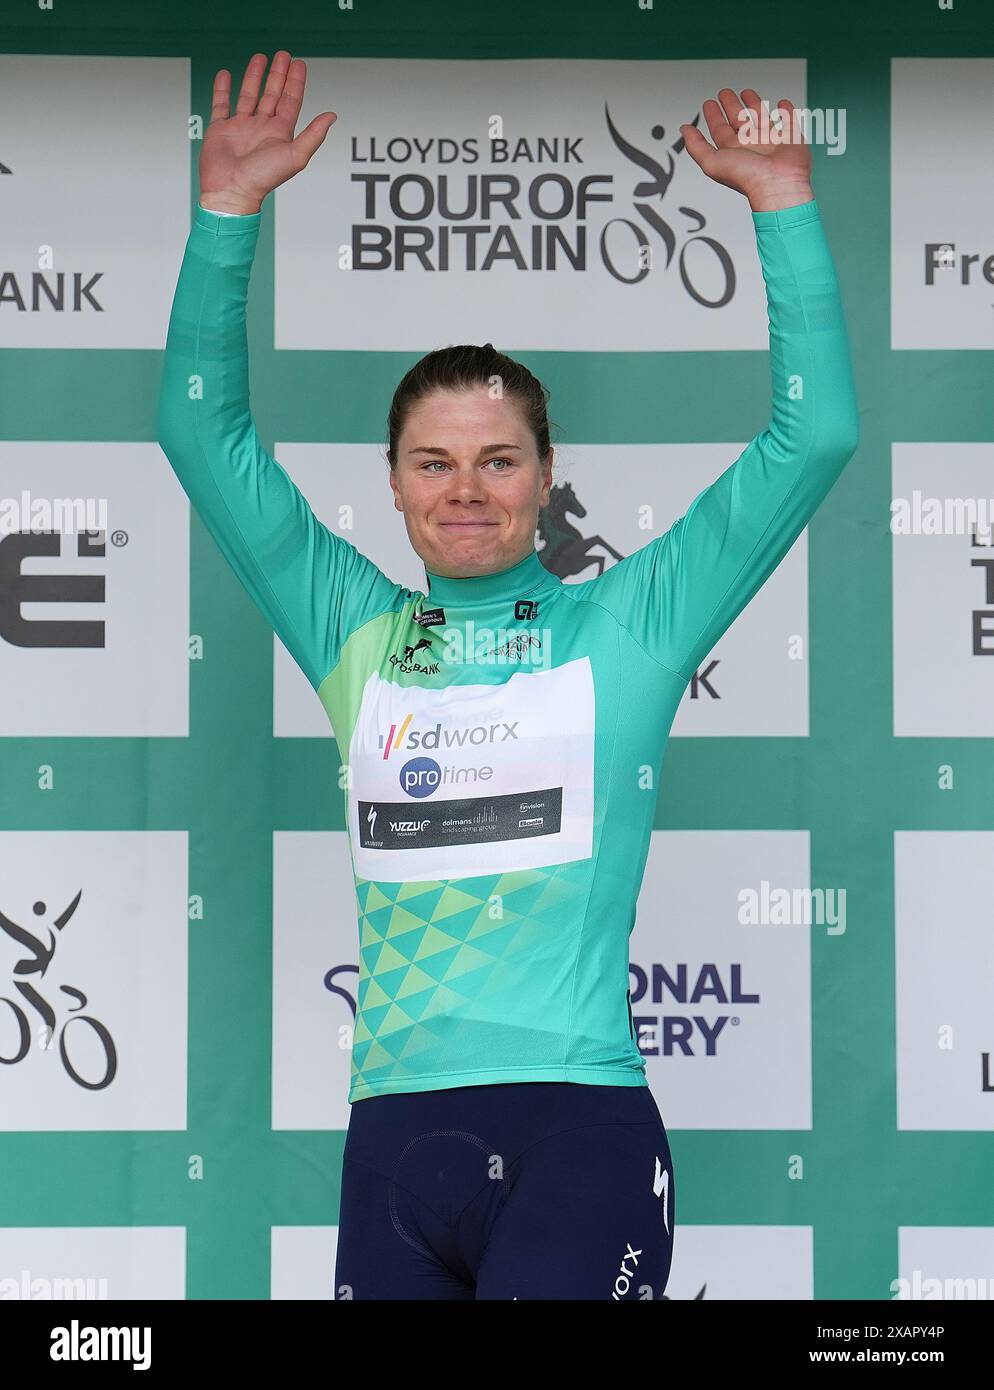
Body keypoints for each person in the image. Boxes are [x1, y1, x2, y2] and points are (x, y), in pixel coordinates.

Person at [157, 51, 859, 1300]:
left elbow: (817, 437)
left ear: (545, 477)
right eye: (432, 462)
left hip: (576, 1131)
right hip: (392, 1137)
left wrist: (781, 208)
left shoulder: (630, 620)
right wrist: (226, 219)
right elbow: (198, 435)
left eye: (496, 460)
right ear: (392, 484)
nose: (464, 490)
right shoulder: (351, 629)